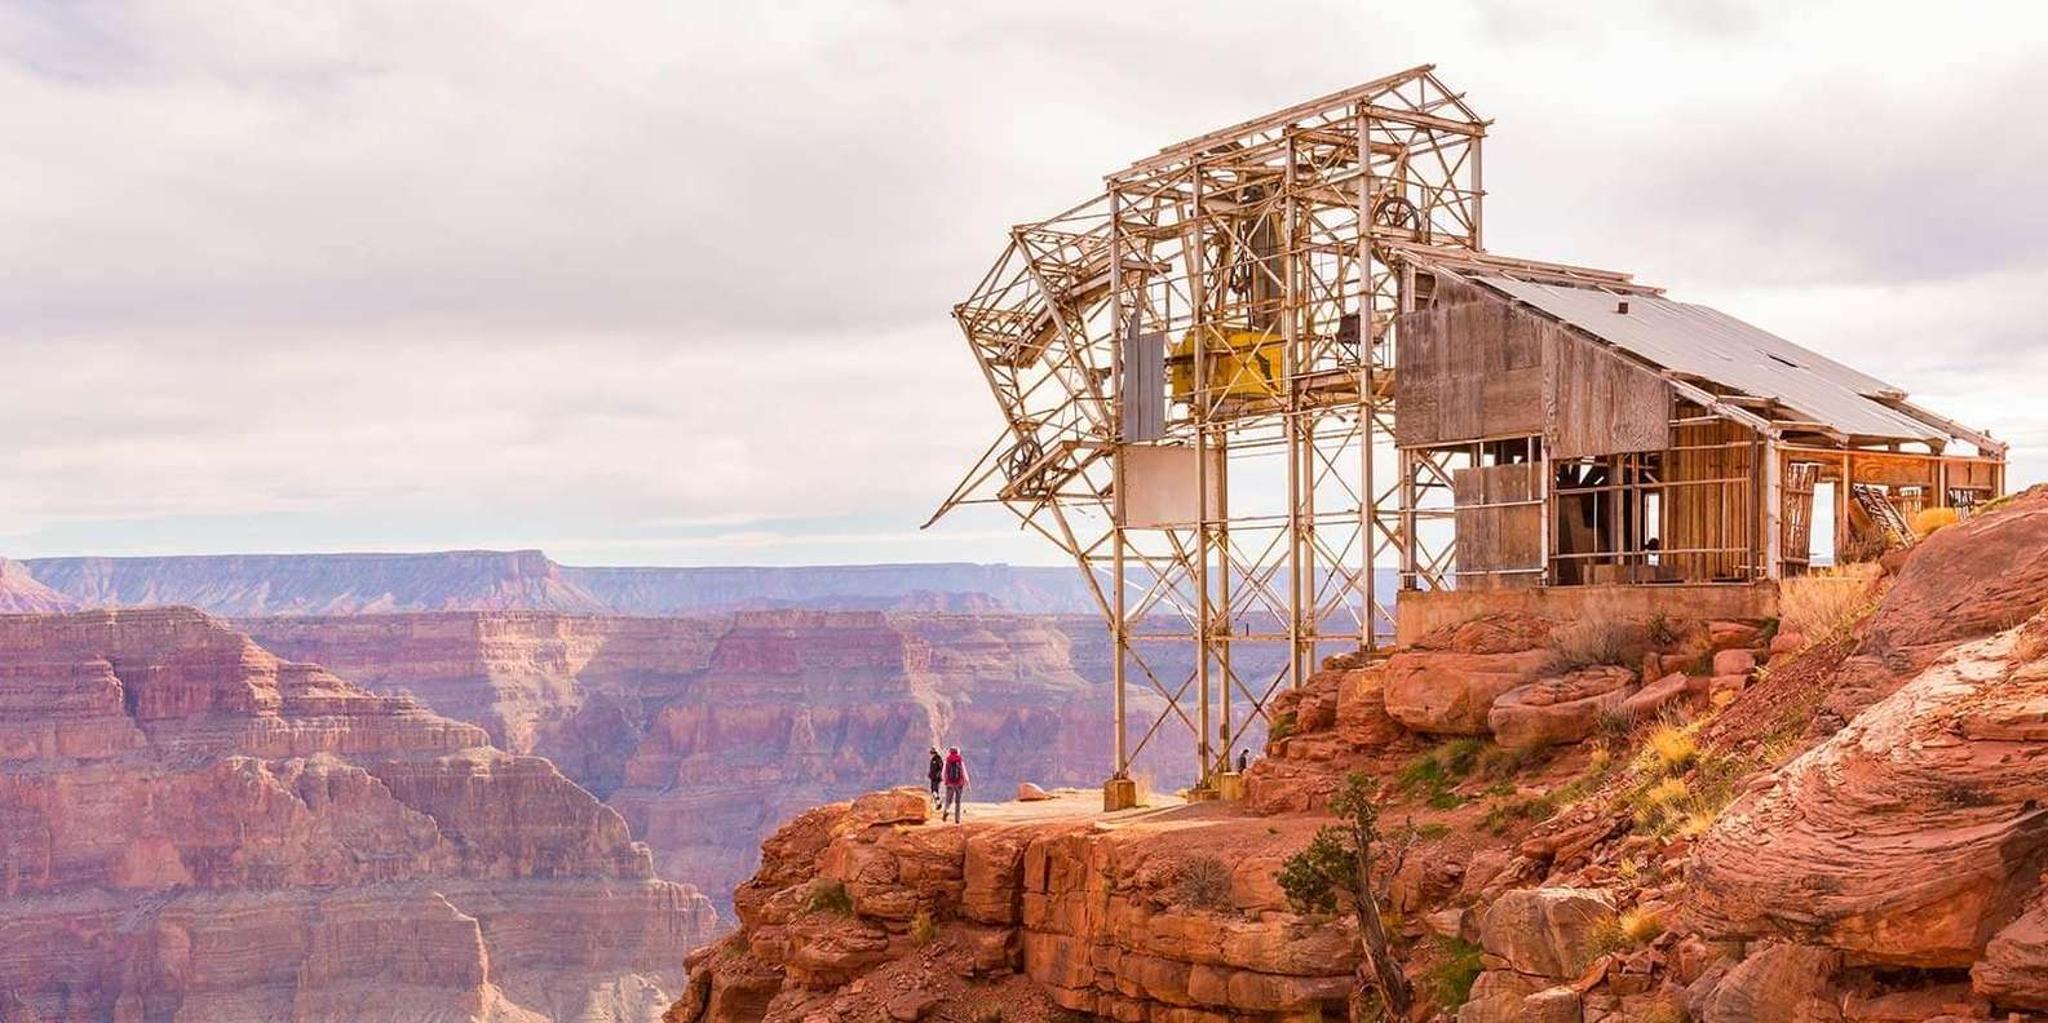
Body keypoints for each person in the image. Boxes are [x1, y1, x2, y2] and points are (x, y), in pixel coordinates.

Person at [941, 746, 969, 823]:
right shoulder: (960, 760)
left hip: (949, 783)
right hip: (959, 783)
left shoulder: (947, 760)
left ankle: (946, 810)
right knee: (958, 802)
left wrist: (944, 780)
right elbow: (964, 771)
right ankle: (957, 819)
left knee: (948, 800)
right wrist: (967, 781)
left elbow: (943, 772)